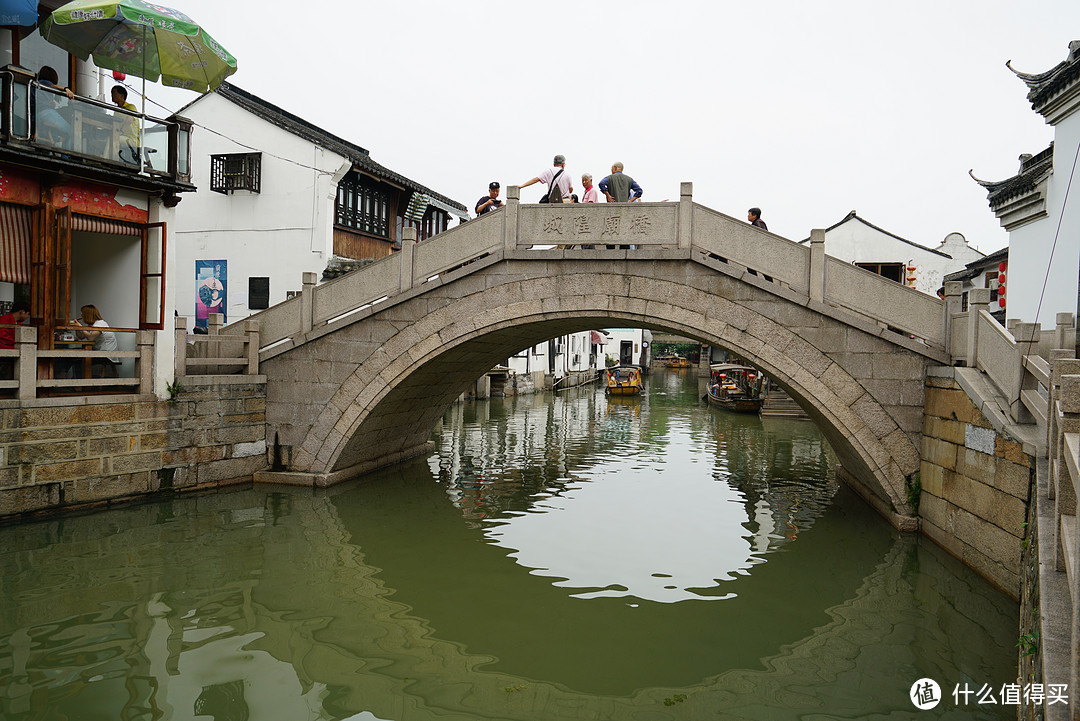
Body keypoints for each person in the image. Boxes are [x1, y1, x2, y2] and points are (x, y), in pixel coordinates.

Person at [73, 305, 119, 377]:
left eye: (82, 314)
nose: (81, 316)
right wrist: (76, 327)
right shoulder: (93, 325)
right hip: (101, 352)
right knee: (73, 353)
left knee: (79, 360)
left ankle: (80, 385)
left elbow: (90, 337)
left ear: (87, 315)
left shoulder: (100, 324)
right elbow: (81, 337)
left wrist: (80, 327)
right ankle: (67, 376)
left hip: (107, 355)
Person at [35, 66, 75, 148]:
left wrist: (49, 103)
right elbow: (53, 86)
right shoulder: (44, 82)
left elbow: (40, 100)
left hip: (38, 114)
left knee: (57, 134)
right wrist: (66, 89)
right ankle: (66, 156)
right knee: (71, 131)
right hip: (46, 113)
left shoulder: (38, 85)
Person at [111, 85, 142, 165]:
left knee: (113, 139)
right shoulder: (116, 111)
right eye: (111, 93)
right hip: (121, 137)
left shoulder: (131, 107)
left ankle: (111, 161)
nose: (112, 95)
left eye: (114, 93)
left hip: (131, 140)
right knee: (110, 138)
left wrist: (120, 132)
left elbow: (130, 119)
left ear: (122, 95)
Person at [0, 301, 30, 381]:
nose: (27, 317)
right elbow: (3, 338)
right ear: (22, 312)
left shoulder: (18, 323)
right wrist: (17, 343)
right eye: (27, 314)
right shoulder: (4, 320)